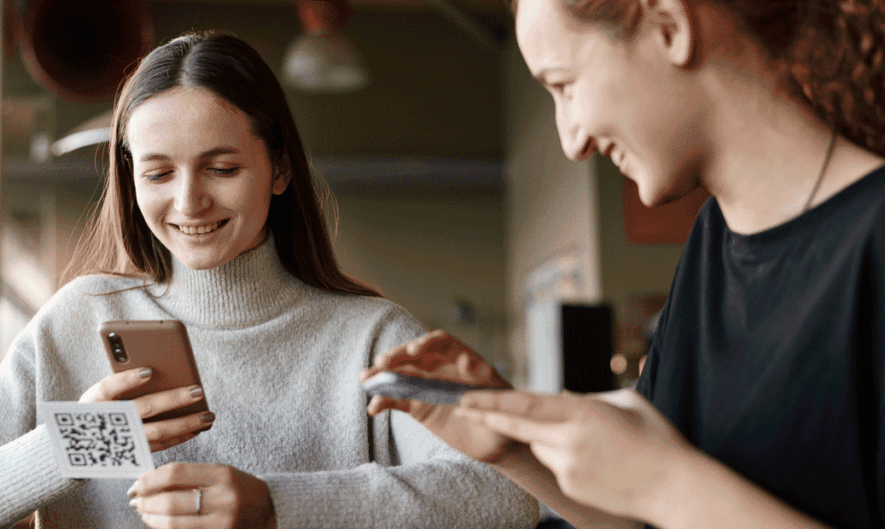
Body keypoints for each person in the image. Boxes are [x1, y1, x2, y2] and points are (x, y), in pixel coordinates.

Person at [0, 31, 538, 529]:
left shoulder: (367, 336)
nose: (189, 201)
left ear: (278, 170)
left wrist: (277, 505)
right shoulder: (79, 318)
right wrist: (78, 442)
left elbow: (512, 495)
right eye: (158, 173)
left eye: (221, 167)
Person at [362, 0, 885, 528]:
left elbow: (669, 495)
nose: (571, 141)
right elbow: (647, 520)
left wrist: (665, 483)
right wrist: (514, 448)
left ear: (670, 26)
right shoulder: (712, 243)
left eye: (565, 86)